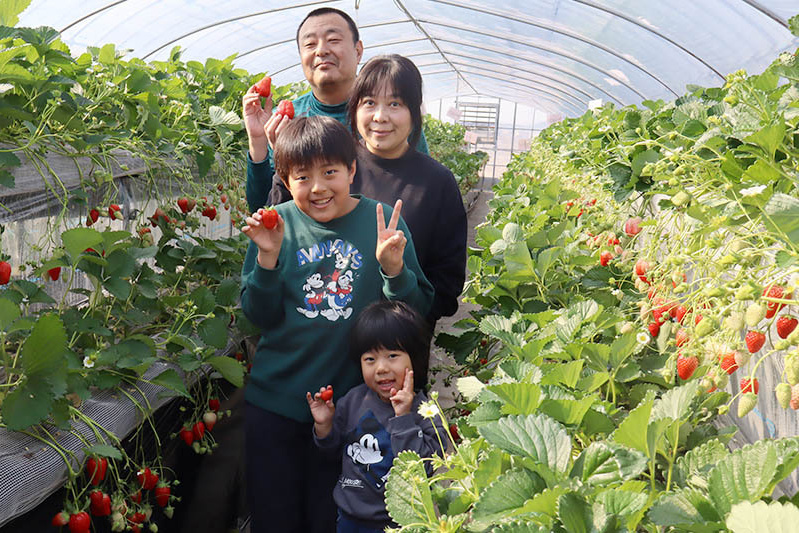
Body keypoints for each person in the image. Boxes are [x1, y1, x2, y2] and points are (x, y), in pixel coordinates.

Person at [239, 116, 434, 533]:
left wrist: (394, 271)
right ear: (285, 180)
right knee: (274, 519)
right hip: (276, 405)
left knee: (334, 519)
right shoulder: (275, 224)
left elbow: (416, 314)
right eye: (302, 176)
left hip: (352, 416)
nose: (318, 187)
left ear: (351, 170)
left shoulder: (382, 222)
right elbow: (258, 316)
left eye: (330, 172)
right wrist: (267, 260)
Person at [242, 7, 430, 212]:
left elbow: (422, 189)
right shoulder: (285, 121)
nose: (321, 50)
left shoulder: (389, 119)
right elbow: (261, 208)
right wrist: (258, 142)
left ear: (358, 51)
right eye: (310, 44)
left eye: (333, 40)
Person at [347, 55, 467, 358]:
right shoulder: (335, 168)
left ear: (415, 113)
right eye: (369, 102)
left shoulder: (437, 182)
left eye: (395, 104)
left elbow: (447, 284)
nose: (380, 116)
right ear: (355, 109)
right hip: (332, 340)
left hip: (399, 352)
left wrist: (406, 319)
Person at [306, 300, 446, 532]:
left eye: (392, 356)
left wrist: (403, 417)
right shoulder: (353, 401)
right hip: (351, 517)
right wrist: (324, 425)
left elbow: (425, 466)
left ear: (415, 358)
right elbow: (330, 451)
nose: (381, 368)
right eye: (370, 359)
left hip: (403, 522)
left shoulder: (426, 411)